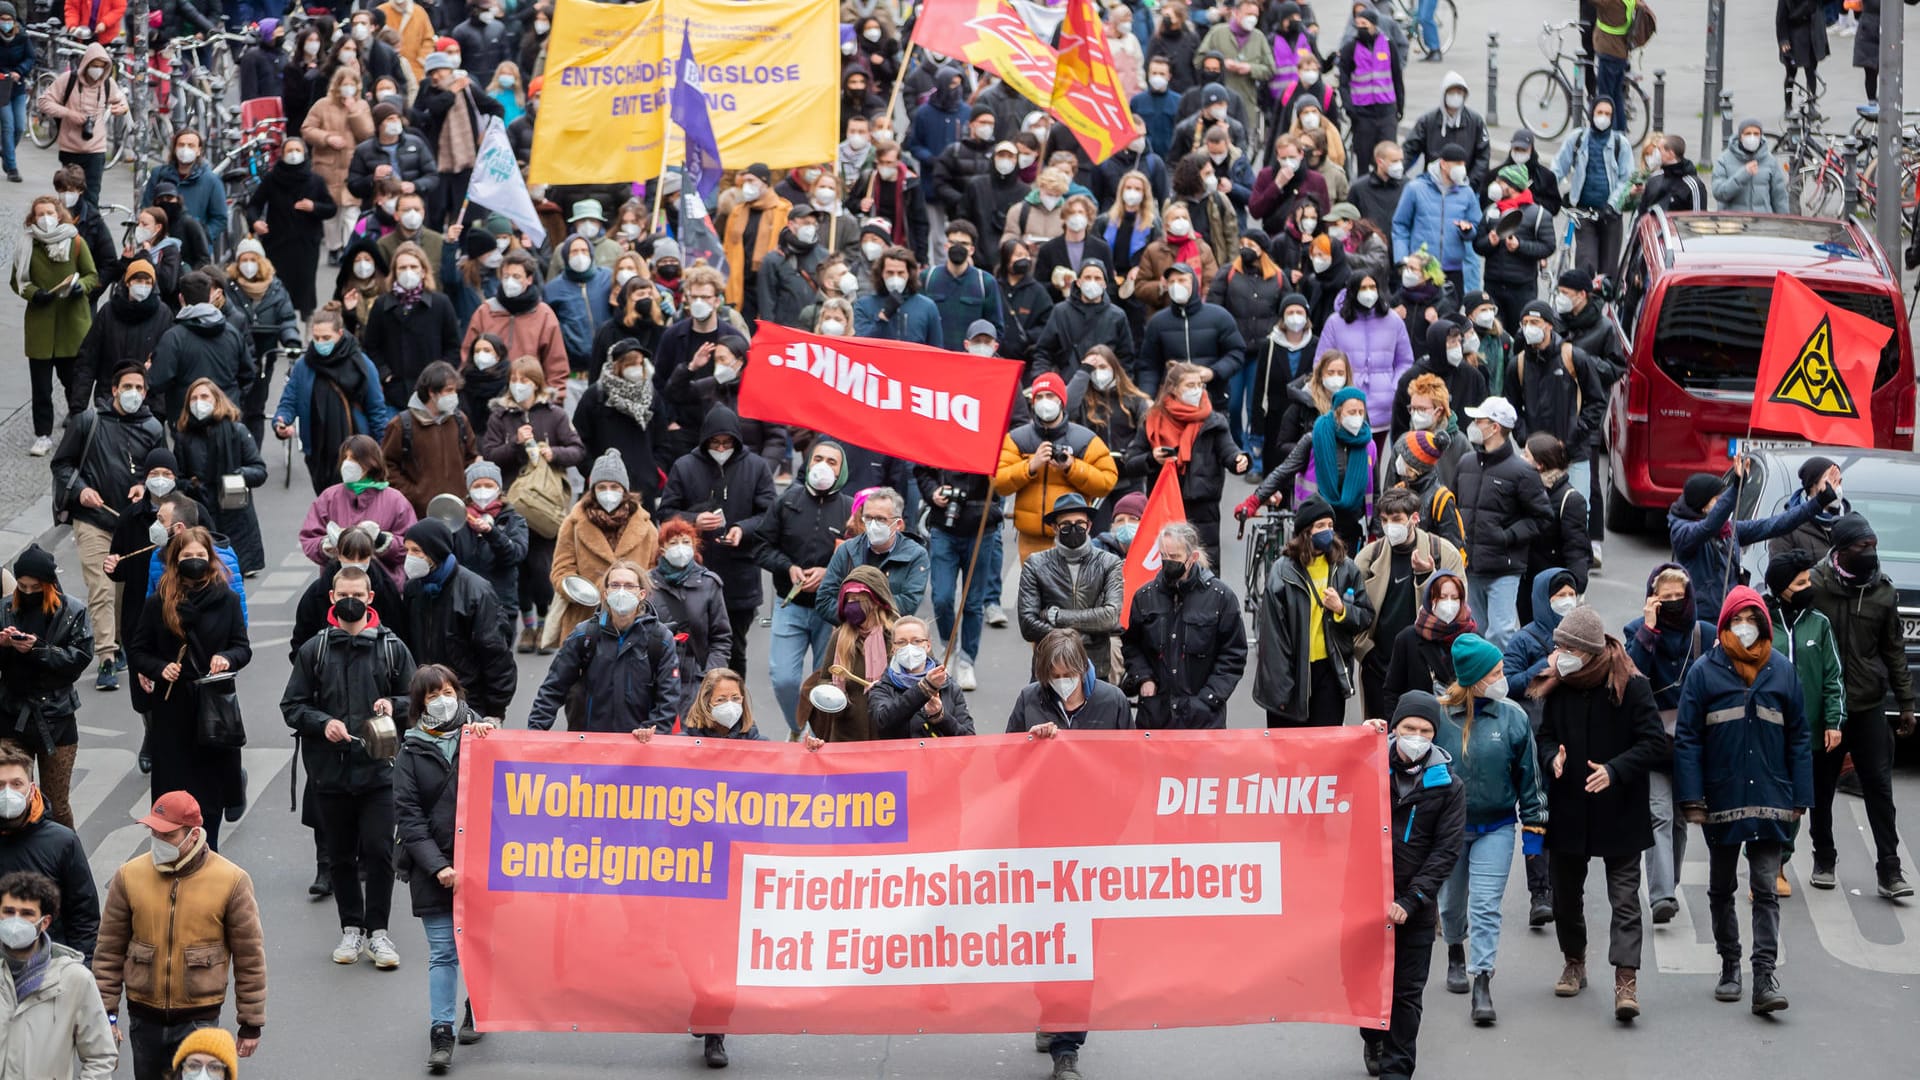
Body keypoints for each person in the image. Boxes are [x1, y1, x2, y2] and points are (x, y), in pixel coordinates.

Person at [1675, 586, 1814, 1014]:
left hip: (1772, 797)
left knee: (1765, 889)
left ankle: (1764, 976)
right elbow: (1688, 739)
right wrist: (1692, 797)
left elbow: (1799, 737)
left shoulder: (1782, 671)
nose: (1746, 628)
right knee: (1721, 887)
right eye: (1739, 620)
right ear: (1725, 625)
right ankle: (1730, 964)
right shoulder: (1704, 672)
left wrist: (1800, 797)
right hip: (1721, 798)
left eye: (1753, 620)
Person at [1529, 605, 1665, 1021]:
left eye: (1567, 648)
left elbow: (1655, 744)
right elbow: (1545, 735)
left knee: (1625, 900)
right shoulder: (1560, 684)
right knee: (1566, 897)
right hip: (1570, 810)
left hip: (1619, 811)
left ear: (1588, 651)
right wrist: (1552, 757)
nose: (1559, 655)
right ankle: (1575, 960)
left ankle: (1626, 980)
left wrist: (1614, 770)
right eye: (1558, 647)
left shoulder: (1631, 684)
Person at [281, 563, 416, 973]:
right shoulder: (315, 650)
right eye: (344, 596)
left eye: (358, 595)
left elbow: (417, 698)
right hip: (329, 773)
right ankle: (350, 928)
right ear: (332, 599)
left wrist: (394, 705)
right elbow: (292, 706)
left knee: (378, 851)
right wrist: (324, 724)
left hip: (380, 771)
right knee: (340, 856)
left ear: (371, 598)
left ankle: (378, 931)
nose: (351, 602)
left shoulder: (392, 647)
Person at [91, 791, 266, 1078]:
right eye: (154, 832)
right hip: (144, 1020)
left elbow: (250, 958)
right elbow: (109, 951)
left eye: (168, 835)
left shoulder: (231, 881)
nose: (158, 841)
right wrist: (105, 1016)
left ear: (193, 835)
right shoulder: (129, 876)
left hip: (199, 1020)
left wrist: (251, 1023)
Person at [1432, 633, 1545, 1025]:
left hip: (1496, 826)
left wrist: (1533, 835)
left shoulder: (1513, 716)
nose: (1503, 677)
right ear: (1475, 678)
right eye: (1495, 672)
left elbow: (1530, 779)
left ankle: (1482, 980)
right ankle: (1454, 953)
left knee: (1484, 906)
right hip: (1450, 830)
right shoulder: (1440, 717)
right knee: (1451, 903)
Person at [1802, 514, 1914, 898]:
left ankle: (1890, 870)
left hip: (1867, 705)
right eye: (1861, 547)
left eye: (1873, 546)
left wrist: (1906, 703)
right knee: (1821, 788)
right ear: (1841, 549)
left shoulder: (1883, 591)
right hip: (1826, 709)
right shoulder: (1815, 586)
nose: (1870, 553)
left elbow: (1894, 651)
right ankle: (1824, 857)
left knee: (1879, 789)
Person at [1357, 692, 1464, 1080]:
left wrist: (1414, 898)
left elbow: (1445, 850)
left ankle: (1397, 1069)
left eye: (1424, 730)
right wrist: (1356, 740)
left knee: (1406, 994)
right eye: (1408, 729)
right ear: (1395, 729)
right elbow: (1326, 776)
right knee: (1365, 984)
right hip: (1362, 901)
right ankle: (1373, 1037)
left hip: (1414, 907)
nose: (1416, 737)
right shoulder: (1365, 764)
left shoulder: (1448, 786)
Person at [126, 527, 249, 848]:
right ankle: (176, 854)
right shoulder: (158, 603)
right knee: (173, 795)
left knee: (211, 796)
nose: (193, 562)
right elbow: (138, 650)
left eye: (199, 556)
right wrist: (159, 667)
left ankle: (210, 853)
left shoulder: (228, 600)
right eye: (186, 557)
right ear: (174, 561)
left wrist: (226, 657)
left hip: (214, 707)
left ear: (210, 559)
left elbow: (242, 647)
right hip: (172, 710)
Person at [51, 362, 166, 691]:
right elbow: (62, 463)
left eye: (139, 388)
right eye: (127, 387)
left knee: (123, 590)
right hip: (93, 521)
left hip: (131, 526)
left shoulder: (153, 428)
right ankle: (105, 656)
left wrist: (146, 485)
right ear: (113, 389)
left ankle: (118, 642)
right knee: (101, 587)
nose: (133, 394)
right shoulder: (89, 421)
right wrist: (80, 489)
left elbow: (164, 471)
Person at [656, 405, 775, 674]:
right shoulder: (685, 466)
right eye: (715, 442)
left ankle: (731, 703)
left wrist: (742, 530)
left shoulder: (755, 467)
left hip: (739, 576)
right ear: (705, 440)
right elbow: (665, 514)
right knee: (689, 646)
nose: (721, 448)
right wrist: (693, 521)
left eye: (727, 443)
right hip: (692, 573)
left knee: (733, 648)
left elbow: (769, 514)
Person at [754, 440, 855, 736]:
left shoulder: (850, 509)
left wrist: (829, 573)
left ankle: (822, 735)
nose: (823, 466)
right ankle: (796, 726)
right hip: (791, 606)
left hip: (831, 613)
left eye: (832, 461)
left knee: (828, 681)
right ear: (808, 463)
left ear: (841, 470)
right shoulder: (787, 501)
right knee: (784, 677)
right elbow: (761, 546)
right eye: (818, 458)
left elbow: (859, 559)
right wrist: (788, 567)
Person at [1763, 550, 1846, 899]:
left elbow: (1833, 677)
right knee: (1768, 800)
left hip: (1807, 737)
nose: (1808, 586)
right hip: (1767, 733)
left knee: (1796, 802)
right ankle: (1767, 867)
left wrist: (1834, 721)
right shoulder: (1761, 622)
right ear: (1782, 588)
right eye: (1800, 583)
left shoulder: (1820, 624)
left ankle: (1780, 860)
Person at [1252, 496, 1373, 727]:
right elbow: (1273, 637)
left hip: (1328, 671)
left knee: (1326, 751)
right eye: (1320, 526)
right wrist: (1281, 688)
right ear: (1306, 532)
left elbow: (1365, 615)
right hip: (1293, 672)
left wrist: (1342, 610)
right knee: (1289, 752)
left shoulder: (1345, 568)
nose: (1327, 531)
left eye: (1330, 525)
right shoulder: (1282, 571)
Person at [1119, 522, 1246, 728]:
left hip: (1203, 717)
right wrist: (1144, 678)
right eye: (1164, 556)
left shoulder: (1221, 597)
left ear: (1192, 557)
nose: (1168, 562)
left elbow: (1233, 655)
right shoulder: (1144, 596)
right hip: (1155, 714)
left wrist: (1208, 699)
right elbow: (1131, 644)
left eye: (1175, 557)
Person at [0, 545, 91, 830]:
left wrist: (39, 649)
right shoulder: (5, 609)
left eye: (35, 586)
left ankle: (64, 857)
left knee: (56, 804)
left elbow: (78, 661)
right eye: (23, 586)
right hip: (11, 716)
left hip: (56, 719)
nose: (27, 592)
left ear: (49, 585)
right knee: (11, 799)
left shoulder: (72, 611)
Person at [1668, 461, 1832, 618]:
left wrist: (1817, 503)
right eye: (1718, 500)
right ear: (1703, 505)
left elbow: (1774, 525)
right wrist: (1735, 489)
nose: (1722, 504)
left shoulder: (1729, 529)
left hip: (1730, 616)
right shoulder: (1683, 534)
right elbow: (1708, 527)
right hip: (1700, 621)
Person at [0, 869, 116, 1078]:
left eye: (26, 914)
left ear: (44, 922)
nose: (15, 921)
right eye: (8, 912)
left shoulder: (74, 980)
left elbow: (101, 1056)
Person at [394, 519, 516, 717]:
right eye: (407, 550)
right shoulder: (414, 589)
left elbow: (495, 654)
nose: (410, 557)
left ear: (435, 551)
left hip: (467, 699)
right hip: (424, 697)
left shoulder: (476, 592)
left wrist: (495, 711)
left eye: (416, 551)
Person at [1454, 397, 1549, 648]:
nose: (1473, 425)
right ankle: (1479, 686)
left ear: (1495, 426)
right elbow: (1456, 507)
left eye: (1479, 420)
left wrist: (1507, 536)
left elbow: (1542, 517)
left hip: (1504, 567)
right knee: (1475, 632)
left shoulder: (1522, 472)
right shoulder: (1465, 463)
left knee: (1500, 633)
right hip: (1471, 564)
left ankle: (1505, 685)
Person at [996, 374, 1122, 560]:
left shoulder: (1085, 440)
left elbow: (1107, 481)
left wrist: (1072, 467)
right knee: (1033, 589)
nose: (1044, 402)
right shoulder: (1017, 439)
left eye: (1050, 396)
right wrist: (1030, 466)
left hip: (1072, 537)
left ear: (1061, 401)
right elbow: (999, 482)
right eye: (1039, 397)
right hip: (1031, 539)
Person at [913, 440, 1005, 692]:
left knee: (973, 601)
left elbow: (1007, 477)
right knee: (941, 596)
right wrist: (933, 492)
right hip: (944, 526)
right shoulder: (942, 429)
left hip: (981, 527)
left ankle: (967, 660)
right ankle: (948, 645)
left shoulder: (990, 433)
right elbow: (921, 470)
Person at [274, 310, 397, 494]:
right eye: (316, 338)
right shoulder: (304, 366)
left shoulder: (361, 364)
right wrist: (281, 421)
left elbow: (376, 410)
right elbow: (289, 400)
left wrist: (381, 452)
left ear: (340, 334)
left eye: (326, 337)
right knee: (327, 504)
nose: (320, 343)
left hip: (357, 453)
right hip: (318, 454)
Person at [14, 194, 98, 452]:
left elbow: (92, 276)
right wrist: (32, 293)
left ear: (59, 214)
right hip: (40, 327)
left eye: (50, 212)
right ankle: (43, 435)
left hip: (72, 325)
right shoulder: (27, 244)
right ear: (33, 217)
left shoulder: (75, 241)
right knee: (41, 388)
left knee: (74, 384)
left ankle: (81, 431)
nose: (46, 218)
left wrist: (79, 288)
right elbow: (17, 281)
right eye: (40, 214)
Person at [1016, 493, 1125, 686]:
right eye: (1066, 525)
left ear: (1089, 525)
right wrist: (1082, 633)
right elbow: (1028, 625)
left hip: (1095, 668)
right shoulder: (1036, 564)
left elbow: (1110, 617)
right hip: (1049, 668)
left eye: (1080, 524)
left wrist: (1057, 616)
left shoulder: (1109, 563)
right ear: (1055, 528)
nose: (1073, 529)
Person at [0, 744, 98, 956]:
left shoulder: (62, 842)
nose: (8, 793)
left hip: (49, 967)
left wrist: (82, 968)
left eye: (16, 784)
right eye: (0, 785)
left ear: (32, 788)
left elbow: (84, 915)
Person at [1254, 384, 1376, 552]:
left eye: (1361, 413)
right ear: (1338, 413)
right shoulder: (1315, 439)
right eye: (1351, 412)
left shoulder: (1369, 446)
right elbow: (1284, 470)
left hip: (1350, 526)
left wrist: (1375, 531)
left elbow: (1374, 492)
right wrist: (1255, 500)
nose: (1357, 417)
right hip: (1315, 526)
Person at [171, 380, 268, 576]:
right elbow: (177, 479)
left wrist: (237, 476)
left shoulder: (237, 431)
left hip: (237, 517)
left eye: (204, 396)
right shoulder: (183, 437)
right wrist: (191, 484)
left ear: (217, 400)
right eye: (194, 398)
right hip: (201, 517)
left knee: (235, 581)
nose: (199, 402)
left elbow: (259, 471)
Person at [799, 567, 900, 743]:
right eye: (848, 600)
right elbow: (825, 678)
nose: (852, 605)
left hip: (888, 734)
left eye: (858, 600)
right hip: (846, 735)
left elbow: (914, 679)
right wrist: (837, 699)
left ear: (875, 600)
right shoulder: (840, 636)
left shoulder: (896, 635)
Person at [247, 135, 337, 317]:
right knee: (278, 284)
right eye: (290, 151)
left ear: (304, 153)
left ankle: (308, 321)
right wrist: (255, 222)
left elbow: (331, 208)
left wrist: (314, 207)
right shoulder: (272, 179)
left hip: (306, 243)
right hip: (277, 241)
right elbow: (254, 204)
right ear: (282, 154)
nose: (294, 154)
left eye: (297, 150)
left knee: (305, 284)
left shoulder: (315, 180)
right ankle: (279, 320)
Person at [145, 272, 252, 425]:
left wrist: (150, 370)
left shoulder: (173, 337)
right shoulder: (232, 334)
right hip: (226, 416)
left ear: (181, 298)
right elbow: (247, 374)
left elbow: (157, 381)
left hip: (186, 420)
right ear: (210, 297)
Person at [648, 519, 734, 707]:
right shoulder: (647, 584)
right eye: (673, 543)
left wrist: (710, 677)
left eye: (685, 542)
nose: (680, 548)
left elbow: (721, 637)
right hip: (656, 678)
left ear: (695, 546)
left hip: (697, 678)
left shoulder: (710, 583)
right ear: (662, 549)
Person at [1317, 274, 1414, 440]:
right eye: (1363, 288)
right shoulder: (1335, 322)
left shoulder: (1393, 320)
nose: (1368, 293)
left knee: (1375, 460)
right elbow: (1321, 362)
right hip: (1346, 406)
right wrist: (1336, 388)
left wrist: (1394, 387)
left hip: (1384, 407)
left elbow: (1405, 361)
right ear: (1353, 291)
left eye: (1372, 287)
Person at [72, 260, 171, 422]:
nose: (143, 286)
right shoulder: (108, 312)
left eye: (148, 282)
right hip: (109, 399)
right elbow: (88, 359)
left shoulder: (163, 315)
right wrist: (78, 406)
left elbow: (167, 365)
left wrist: (160, 410)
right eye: (138, 281)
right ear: (128, 282)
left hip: (147, 403)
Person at [460, 252, 568, 397]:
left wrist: (553, 400)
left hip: (529, 396)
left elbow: (556, 365)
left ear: (529, 279)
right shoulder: (485, 311)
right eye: (506, 276)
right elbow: (467, 356)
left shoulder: (544, 314)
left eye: (516, 277)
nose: (510, 282)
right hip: (486, 397)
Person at [1551, 97, 1635, 277]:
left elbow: (1627, 179)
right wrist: (1546, 188)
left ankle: (1604, 304)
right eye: (1600, 112)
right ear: (1591, 113)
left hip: (1611, 215)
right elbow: (1558, 167)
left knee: (1608, 273)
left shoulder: (1621, 144)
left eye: (1608, 114)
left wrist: (1612, 204)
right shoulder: (1577, 138)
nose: (1603, 117)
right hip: (1584, 212)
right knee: (1586, 264)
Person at [38, 42, 126, 208]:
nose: (97, 70)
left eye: (101, 67)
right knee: (69, 198)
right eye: (94, 66)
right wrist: (69, 114)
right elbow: (43, 102)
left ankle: (89, 231)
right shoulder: (68, 80)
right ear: (86, 64)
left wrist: (121, 108)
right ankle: (69, 231)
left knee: (91, 197)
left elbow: (122, 100)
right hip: (70, 148)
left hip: (96, 149)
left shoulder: (108, 84)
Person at [1007, 627, 1134, 740]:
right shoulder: (1028, 698)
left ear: (1082, 669)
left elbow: (1131, 753)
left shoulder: (1113, 700)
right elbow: (1007, 754)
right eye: (1055, 676)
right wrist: (1029, 740)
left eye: (1069, 675)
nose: (1062, 681)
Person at [1381, 570, 1476, 720]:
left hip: (1461, 724)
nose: (1449, 604)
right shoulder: (1408, 638)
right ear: (1430, 600)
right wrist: (1396, 725)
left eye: (1455, 598)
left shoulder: (1472, 638)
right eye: (1442, 597)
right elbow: (1392, 690)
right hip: (1420, 724)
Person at [867, 613, 978, 739]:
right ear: (893, 648)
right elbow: (883, 722)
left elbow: (968, 738)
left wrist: (940, 716)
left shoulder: (950, 687)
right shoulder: (882, 688)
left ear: (928, 645)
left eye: (917, 641)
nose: (909, 647)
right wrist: (924, 688)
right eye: (902, 642)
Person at [1472, 166, 1554, 330]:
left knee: (1520, 332)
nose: (1495, 185)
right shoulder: (1491, 211)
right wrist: (1489, 242)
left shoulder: (1538, 215)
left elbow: (1548, 247)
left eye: (1500, 182)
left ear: (1512, 186)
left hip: (1522, 288)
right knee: (1493, 332)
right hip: (1493, 285)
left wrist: (1520, 246)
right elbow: (1477, 245)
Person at [1391, 143, 1478, 295]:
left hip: (1453, 270)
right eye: (1457, 164)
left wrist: (1468, 230)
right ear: (1443, 164)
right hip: (1422, 268)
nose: (1462, 168)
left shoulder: (1467, 193)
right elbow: (1400, 225)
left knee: (1450, 316)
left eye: (1463, 164)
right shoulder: (1416, 188)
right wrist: (1403, 259)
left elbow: (1476, 225)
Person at [1401, 71, 1492, 190]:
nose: (1455, 96)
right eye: (1451, 92)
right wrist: (1398, 171)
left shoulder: (1476, 122)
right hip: (1433, 185)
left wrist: (1470, 184)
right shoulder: (1428, 121)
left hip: (1466, 185)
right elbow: (1410, 149)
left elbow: (1483, 157)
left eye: (1459, 92)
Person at [854, 245, 943, 345]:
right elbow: (861, 345)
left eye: (900, 273)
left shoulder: (927, 306)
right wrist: (883, 317)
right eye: (890, 273)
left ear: (909, 274)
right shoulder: (864, 305)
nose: (895, 278)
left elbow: (936, 348)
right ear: (881, 273)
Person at [1711, 119, 1791, 213]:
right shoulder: (1724, 160)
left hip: (1762, 221)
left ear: (1761, 136)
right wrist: (1743, 175)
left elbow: (1779, 197)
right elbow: (1719, 193)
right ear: (1740, 136)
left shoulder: (1770, 161)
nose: (1752, 137)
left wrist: (1783, 222)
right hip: (1733, 222)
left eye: (1756, 134)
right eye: (1748, 133)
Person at [1637, 134, 1706, 217]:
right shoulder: (1653, 180)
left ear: (1670, 154)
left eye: (1659, 149)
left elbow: (1698, 219)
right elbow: (1641, 216)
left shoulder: (1694, 186)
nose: (1655, 153)